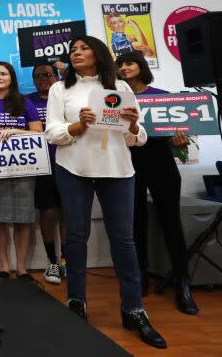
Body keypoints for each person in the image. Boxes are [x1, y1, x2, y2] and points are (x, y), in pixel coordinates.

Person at [45, 36, 166, 349]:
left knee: (124, 239)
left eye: (83, 48)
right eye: (72, 51)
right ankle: (76, 303)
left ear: (98, 54)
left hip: (117, 168)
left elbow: (137, 139)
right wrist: (78, 127)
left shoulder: (121, 88)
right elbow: (52, 133)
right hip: (73, 168)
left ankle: (133, 308)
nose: (76, 53)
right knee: (76, 236)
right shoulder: (61, 89)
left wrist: (134, 125)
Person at [116, 51, 198, 315]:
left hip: (162, 164)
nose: (124, 68)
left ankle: (183, 283)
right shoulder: (114, 99)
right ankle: (138, 276)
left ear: (141, 66)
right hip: (128, 165)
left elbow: (181, 137)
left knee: (171, 222)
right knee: (135, 222)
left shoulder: (163, 96)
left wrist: (180, 141)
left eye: (129, 63)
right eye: (120, 65)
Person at [0, 62, 43, 280]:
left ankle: (21, 267)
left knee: (23, 219)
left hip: (23, 166)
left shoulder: (25, 102)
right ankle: (4, 266)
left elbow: (37, 131)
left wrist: (15, 130)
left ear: (11, 78)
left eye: (3, 73)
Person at [26, 63, 66, 284]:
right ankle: (52, 261)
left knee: (66, 213)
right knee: (47, 213)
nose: (43, 78)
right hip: (41, 167)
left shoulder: (65, 96)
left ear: (57, 76)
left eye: (49, 74)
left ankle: (66, 260)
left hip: (69, 164)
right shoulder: (27, 100)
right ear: (33, 79)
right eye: (38, 75)